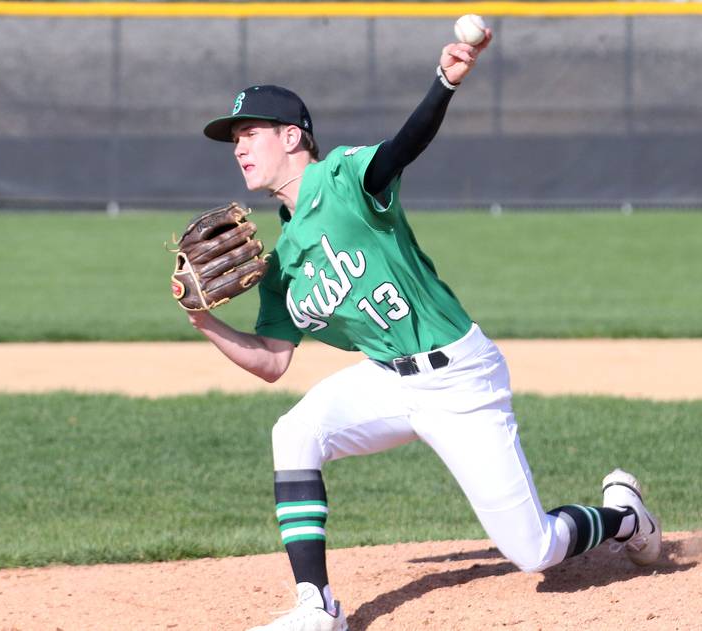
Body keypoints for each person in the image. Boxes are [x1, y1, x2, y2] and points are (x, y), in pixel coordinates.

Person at [189, 25, 661, 631]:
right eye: (234, 138)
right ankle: (317, 605)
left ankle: (624, 516)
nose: (238, 146)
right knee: (294, 432)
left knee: (535, 551)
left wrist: (444, 83)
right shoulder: (280, 265)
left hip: (460, 378)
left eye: (249, 133)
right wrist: (202, 319)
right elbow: (273, 361)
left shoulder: (345, 179)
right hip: (389, 381)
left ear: (292, 136)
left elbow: (402, 147)